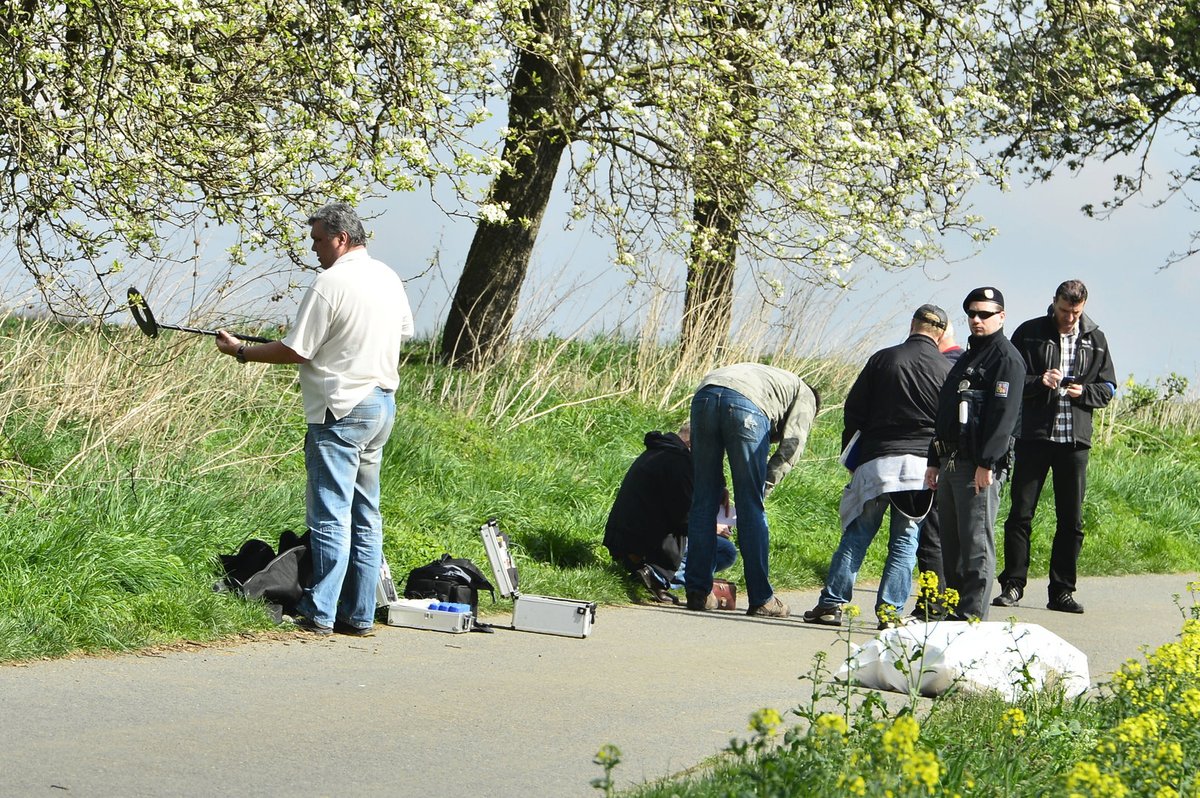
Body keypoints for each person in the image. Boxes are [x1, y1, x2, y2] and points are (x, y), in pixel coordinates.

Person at [215, 202, 414, 636]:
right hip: (381, 406)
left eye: (319, 240)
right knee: (367, 515)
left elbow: (297, 350)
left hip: (340, 409)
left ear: (341, 238)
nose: (314, 248)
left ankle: (320, 610)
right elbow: (401, 331)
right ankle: (358, 614)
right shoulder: (387, 277)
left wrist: (241, 352)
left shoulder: (331, 282)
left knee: (330, 516)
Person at [803, 305, 950, 629]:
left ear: (912, 324)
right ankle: (889, 614)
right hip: (919, 469)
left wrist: (851, 459)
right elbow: (948, 426)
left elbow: (854, 412)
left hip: (877, 462)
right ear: (940, 333)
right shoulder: (945, 369)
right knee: (905, 542)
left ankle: (831, 604)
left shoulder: (883, 359)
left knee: (857, 534)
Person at [994, 280, 1117, 614]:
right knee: (1020, 514)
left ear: (1083, 307)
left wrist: (1084, 393)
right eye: (1065, 311)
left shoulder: (1096, 339)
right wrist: (1038, 382)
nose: (1070, 318)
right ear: (1054, 303)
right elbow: (1009, 378)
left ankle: (1061, 591)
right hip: (1034, 437)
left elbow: (1108, 388)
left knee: (1072, 520)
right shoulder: (1029, 332)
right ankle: (1013, 585)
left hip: (1074, 442)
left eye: (1076, 312)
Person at [684, 363, 819, 617]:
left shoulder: (774, 380)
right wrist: (762, 487)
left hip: (705, 394)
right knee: (750, 507)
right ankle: (762, 599)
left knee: (703, 500)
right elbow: (791, 446)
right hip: (746, 405)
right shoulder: (806, 395)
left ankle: (698, 592)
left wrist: (719, 486)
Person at [924, 287, 1025, 621]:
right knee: (952, 546)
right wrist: (933, 459)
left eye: (985, 313)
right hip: (951, 461)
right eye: (972, 314)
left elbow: (1004, 418)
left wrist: (987, 462)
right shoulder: (969, 356)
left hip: (978, 466)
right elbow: (946, 413)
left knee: (976, 545)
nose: (977, 320)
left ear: (1001, 316)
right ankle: (954, 611)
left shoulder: (1006, 359)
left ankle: (972, 619)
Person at [602, 423, 738, 603]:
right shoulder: (679, 462)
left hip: (625, 537)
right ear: (696, 445)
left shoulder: (661, 451)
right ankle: (653, 575)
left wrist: (719, 489)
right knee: (726, 551)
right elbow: (684, 517)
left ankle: (651, 573)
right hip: (642, 543)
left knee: (715, 546)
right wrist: (712, 527)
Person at [912, 319, 964, 615]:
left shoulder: (946, 365)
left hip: (937, 455)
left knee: (931, 534)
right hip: (952, 457)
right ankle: (944, 601)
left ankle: (932, 604)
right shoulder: (959, 364)